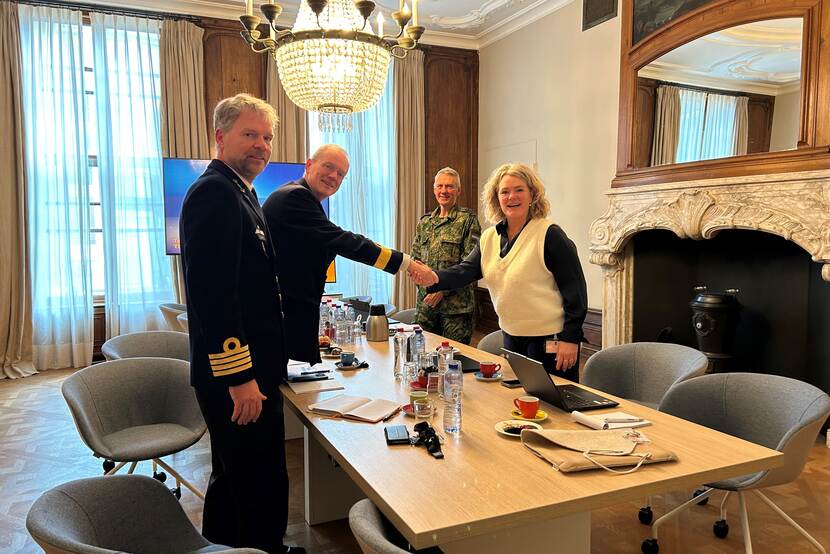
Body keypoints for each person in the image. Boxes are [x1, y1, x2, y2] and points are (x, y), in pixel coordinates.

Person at [179, 93, 304, 554]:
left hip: (250, 369)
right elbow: (214, 297)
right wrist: (239, 378)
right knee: (258, 476)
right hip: (237, 375)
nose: (262, 145)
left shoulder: (241, 192)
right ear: (220, 136)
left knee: (234, 475)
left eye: (267, 137)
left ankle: (226, 549)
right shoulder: (215, 192)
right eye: (250, 134)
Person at [410, 163, 588, 382]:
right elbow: (466, 271)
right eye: (504, 191)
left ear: (532, 194)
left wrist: (570, 338)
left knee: (556, 409)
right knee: (516, 403)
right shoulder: (489, 237)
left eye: (519, 190)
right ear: (497, 198)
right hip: (511, 337)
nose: (511, 196)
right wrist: (434, 277)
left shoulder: (549, 234)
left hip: (551, 341)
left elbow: (576, 291)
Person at [262, 144, 433, 364]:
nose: (333, 176)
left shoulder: (298, 196)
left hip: (289, 318)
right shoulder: (295, 198)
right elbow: (344, 241)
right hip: (284, 321)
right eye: (328, 167)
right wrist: (406, 263)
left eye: (341, 174)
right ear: (309, 165)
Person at [411, 167, 481, 344]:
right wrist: (422, 283)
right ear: (434, 189)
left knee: (454, 361)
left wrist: (441, 290)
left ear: (458, 190)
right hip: (426, 306)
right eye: (440, 186)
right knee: (420, 356)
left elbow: (470, 265)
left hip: (456, 310)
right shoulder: (425, 222)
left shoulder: (468, 220)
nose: (444, 191)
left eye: (450, 186)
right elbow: (415, 259)